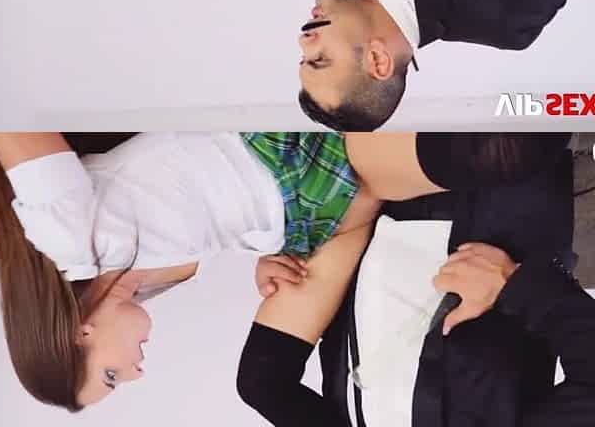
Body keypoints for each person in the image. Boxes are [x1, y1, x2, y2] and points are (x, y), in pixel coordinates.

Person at [0, 131, 569, 412]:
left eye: (110, 375)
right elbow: (203, 204)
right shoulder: (150, 282)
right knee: (506, 153)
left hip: (285, 161)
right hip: (309, 214)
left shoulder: (72, 241)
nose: (134, 373)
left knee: (505, 150)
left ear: (79, 334)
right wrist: (266, 255)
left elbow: (1, 107)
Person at [236, 142, 594, 426]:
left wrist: (303, 251)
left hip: (382, 187)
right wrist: (512, 284)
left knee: (387, 77)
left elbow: (264, 383)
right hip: (502, 207)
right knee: (515, 86)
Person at [277, 0, 595, 130]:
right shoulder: (504, 16)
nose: (304, 40)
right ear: (377, 60)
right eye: (319, 59)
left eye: (304, 58)